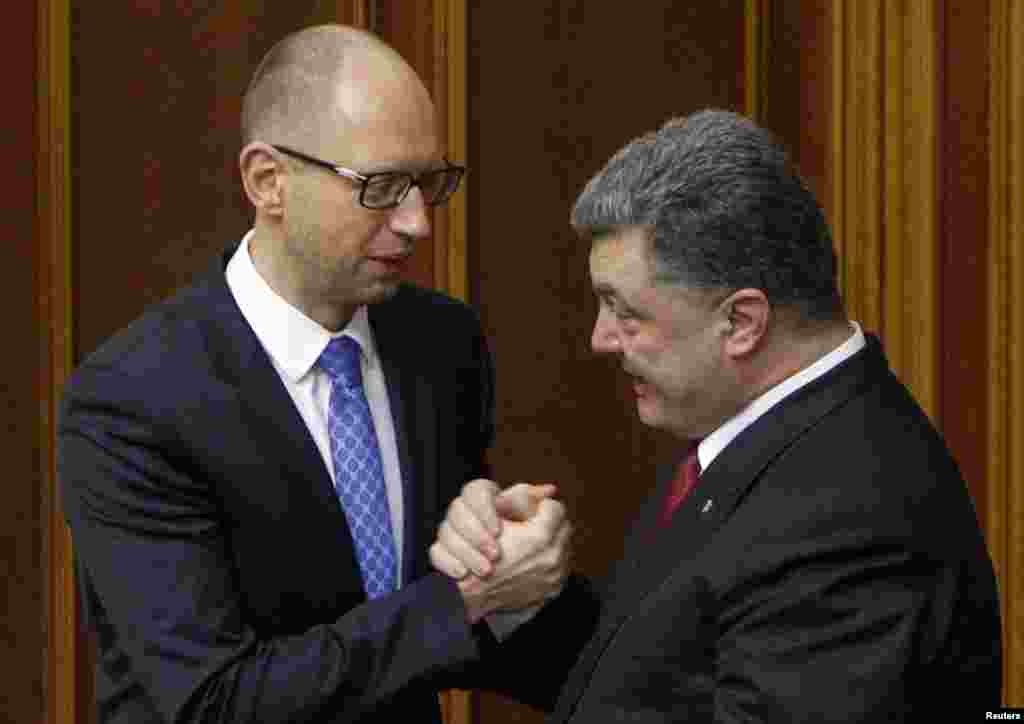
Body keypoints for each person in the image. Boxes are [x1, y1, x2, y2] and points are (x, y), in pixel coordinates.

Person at [57, 25, 569, 723]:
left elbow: (442, 638)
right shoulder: (133, 401)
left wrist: (517, 569)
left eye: (426, 183)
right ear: (269, 182)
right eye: (382, 187)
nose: (418, 222)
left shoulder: (441, 344)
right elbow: (215, 701)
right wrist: (469, 596)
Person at [431, 109, 1002, 721]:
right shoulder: (762, 434)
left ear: (741, 323)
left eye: (624, 312)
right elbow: (651, 678)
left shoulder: (852, 517)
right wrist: (521, 594)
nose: (601, 338)